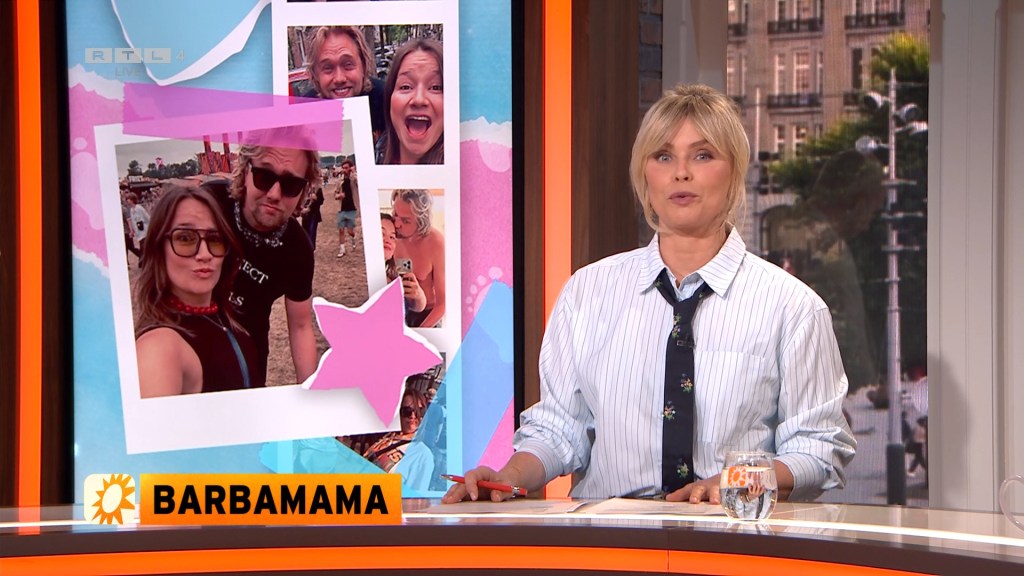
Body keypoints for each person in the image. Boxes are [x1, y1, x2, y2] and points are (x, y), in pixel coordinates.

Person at [443, 84, 856, 505]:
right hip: (610, 535)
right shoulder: (587, 292)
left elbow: (820, 449)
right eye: (663, 156)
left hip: (727, 531)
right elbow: (559, 429)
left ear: (734, 171)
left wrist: (739, 479)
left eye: (703, 155)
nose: (681, 173)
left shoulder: (793, 307)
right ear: (644, 174)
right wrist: (508, 478)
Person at [134, 185, 260, 397]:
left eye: (215, 239)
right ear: (159, 248)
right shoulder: (158, 348)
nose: (205, 254)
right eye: (185, 238)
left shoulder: (224, 317)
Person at [219, 126, 321, 386]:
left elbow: (300, 326)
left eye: (290, 185)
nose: (274, 194)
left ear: (304, 191)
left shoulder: (297, 250)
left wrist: (311, 396)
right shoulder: (210, 205)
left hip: (246, 361)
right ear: (245, 171)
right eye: (264, 176)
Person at [305, 26, 386, 144]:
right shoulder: (303, 113)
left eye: (348, 65)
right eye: (328, 68)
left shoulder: (386, 100)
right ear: (315, 74)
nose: (339, 79)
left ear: (363, 66)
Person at [380, 38, 444, 165]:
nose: (419, 99)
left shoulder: (468, 174)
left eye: (435, 87)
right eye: (406, 87)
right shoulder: (371, 164)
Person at [391, 189, 444, 327]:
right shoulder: (393, 236)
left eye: (406, 220)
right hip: (402, 311)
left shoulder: (436, 243)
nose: (397, 224)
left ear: (421, 221)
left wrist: (420, 332)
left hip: (428, 316)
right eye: (395, 214)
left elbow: (443, 304)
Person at [362, 388, 427, 472]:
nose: (412, 416)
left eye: (419, 411)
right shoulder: (387, 438)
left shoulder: (422, 454)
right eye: (407, 411)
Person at [382, 212, 427, 314]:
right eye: (381, 233)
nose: (388, 240)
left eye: (392, 237)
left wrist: (419, 295)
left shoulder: (398, 271)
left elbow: (417, 307)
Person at [335, 159, 358, 257]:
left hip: (351, 208)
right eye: (343, 168)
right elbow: (335, 194)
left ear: (350, 168)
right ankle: (342, 249)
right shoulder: (340, 181)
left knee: (349, 231)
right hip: (342, 208)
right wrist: (339, 195)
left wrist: (354, 172)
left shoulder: (354, 179)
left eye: (346, 168)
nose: (344, 170)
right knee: (341, 230)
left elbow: (360, 184)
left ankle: (354, 236)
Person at [127, 192, 150, 263]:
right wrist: (132, 231)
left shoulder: (139, 208)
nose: (127, 200)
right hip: (139, 233)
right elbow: (133, 221)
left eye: (128, 199)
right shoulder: (131, 210)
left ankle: (143, 262)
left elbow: (147, 217)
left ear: (132, 199)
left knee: (143, 248)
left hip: (144, 231)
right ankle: (143, 261)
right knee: (143, 248)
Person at [300, 185, 324, 250]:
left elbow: (321, 201)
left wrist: (316, 198)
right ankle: (306, 249)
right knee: (305, 233)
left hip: (314, 215)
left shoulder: (318, 189)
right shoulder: (305, 188)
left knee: (312, 233)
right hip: (305, 215)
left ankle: (312, 250)